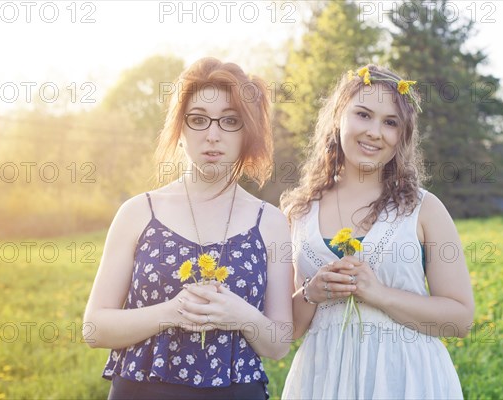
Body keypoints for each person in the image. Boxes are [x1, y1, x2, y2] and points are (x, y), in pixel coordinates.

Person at [83, 57, 293, 400]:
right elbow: (94, 328)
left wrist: (241, 315)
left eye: (230, 121)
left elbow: (279, 344)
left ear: (248, 133)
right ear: (179, 130)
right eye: (198, 120)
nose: (213, 134)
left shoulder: (269, 222)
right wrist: (171, 312)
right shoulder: (138, 213)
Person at [280, 64, 475, 399]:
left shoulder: (423, 209)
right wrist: (313, 292)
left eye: (390, 122)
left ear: (402, 136)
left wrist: (379, 294)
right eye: (363, 114)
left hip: (406, 380)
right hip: (323, 380)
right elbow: (290, 330)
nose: (374, 131)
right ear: (338, 117)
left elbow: (459, 319)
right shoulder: (299, 212)